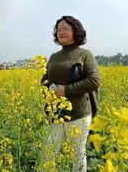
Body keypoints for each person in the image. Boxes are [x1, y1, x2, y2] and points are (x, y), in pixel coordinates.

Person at [40, 15, 101, 172]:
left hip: (78, 113)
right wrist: (47, 89)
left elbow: (94, 80)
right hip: (54, 113)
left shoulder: (85, 54)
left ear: (76, 31)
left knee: (77, 155)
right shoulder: (54, 56)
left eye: (66, 28)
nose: (61, 32)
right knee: (48, 153)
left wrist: (65, 90)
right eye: (58, 29)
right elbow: (45, 79)